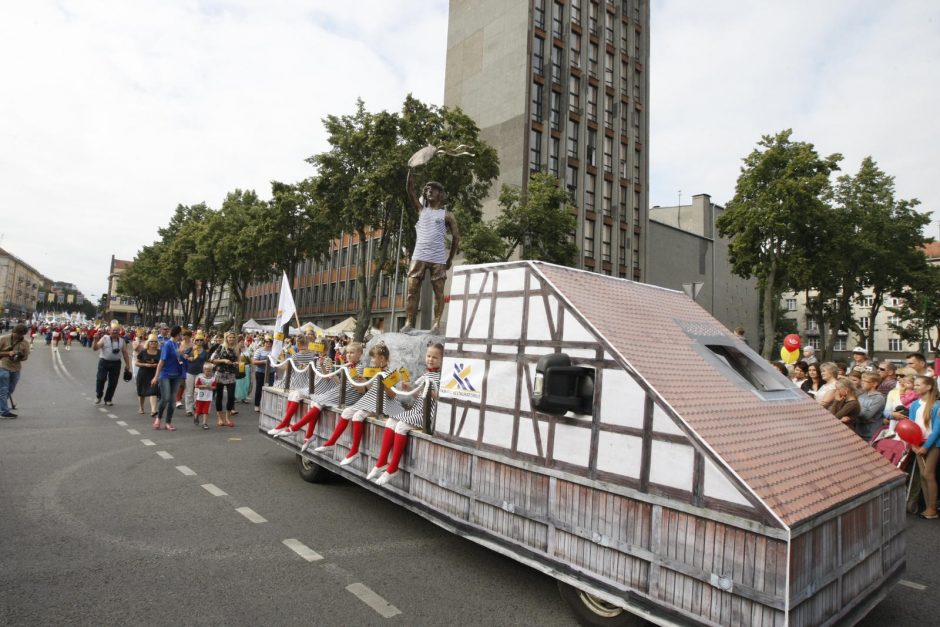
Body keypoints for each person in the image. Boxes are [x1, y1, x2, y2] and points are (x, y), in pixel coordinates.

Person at [317, 343, 405, 465]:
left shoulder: (391, 373)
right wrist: (364, 382)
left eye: (374, 358)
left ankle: (354, 450)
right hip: (371, 398)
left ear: (382, 359)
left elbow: (392, 395)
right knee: (348, 412)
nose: (372, 361)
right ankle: (331, 442)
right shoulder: (373, 371)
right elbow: (369, 389)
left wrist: (384, 385)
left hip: (383, 402)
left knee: (358, 416)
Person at [368, 343, 443, 485]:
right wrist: (412, 389)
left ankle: (393, 467)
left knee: (401, 426)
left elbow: (440, 398)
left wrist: (424, 391)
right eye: (428, 356)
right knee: (391, 421)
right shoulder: (426, 374)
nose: (430, 359)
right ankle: (382, 461)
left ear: (441, 359)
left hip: (428, 413)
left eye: (435, 357)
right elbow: (419, 398)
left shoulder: (441, 377)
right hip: (417, 409)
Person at [271, 343, 365, 451]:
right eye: (347, 352)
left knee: (318, 401)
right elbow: (339, 382)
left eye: (352, 353)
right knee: (313, 401)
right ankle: (305, 434)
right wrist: (332, 374)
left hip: (348, 395)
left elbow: (359, 388)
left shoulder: (358, 367)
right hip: (337, 390)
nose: (348, 355)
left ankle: (295, 428)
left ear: (359, 354)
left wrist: (334, 372)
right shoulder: (346, 365)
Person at [401, 170, 460, 334]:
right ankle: (408, 322)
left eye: (433, 189)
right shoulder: (421, 210)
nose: (429, 192)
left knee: (439, 292)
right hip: (419, 255)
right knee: (411, 290)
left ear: (441, 194)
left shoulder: (447, 215)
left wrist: (449, 259)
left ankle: (436, 324)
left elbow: (456, 237)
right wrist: (411, 170)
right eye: (427, 190)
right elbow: (410, 190)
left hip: (438, 258)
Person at [910, 376, 940, 519]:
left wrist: (926, 447)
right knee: (923, 475)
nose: (914, 387)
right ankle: (928, 506)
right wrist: (913, 444)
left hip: (933, 444)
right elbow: (911, 426)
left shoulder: (937, 405)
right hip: (918, 443)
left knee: (928, 473)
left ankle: (932, 508)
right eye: (914, 385)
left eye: (918, 385)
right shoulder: (915, 405)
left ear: (928, 387)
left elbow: (937, 430)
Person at [152, 326, 184, 431]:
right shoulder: (168, 344)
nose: (182, 336)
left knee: (172, 400)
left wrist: (185, 356)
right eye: (181, 334)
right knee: (165, 398)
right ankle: (158, 418)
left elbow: (179, 358)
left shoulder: (177, 344)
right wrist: (156, 376)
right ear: (177, 334)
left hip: (176, 375)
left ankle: (168, 422)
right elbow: (162, 361)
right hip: (165, 374)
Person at [93, 324, 132, 406]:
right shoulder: (105, 338)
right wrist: (95, 340)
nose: (115, 332)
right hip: (104, 362)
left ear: (119, 332)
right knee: (101, 379)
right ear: (110, 331)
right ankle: (98, 395)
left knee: (113, 382)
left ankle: (108, 399)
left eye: (117, 330)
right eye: (113, 330)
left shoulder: (122, 341)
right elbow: (95, 348)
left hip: (116, 363)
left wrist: (127, 365)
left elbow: (125, 353)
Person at [0, 324, 30, 419]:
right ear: (13, 331)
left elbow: (25, 357)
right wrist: (7, 353)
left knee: (10, 390)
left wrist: (20, 356)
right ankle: (4, 411)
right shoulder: (4, 339)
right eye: (17, 334)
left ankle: (2, 407)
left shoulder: (25, 343)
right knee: (3, 390)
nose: (19, 336)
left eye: (21, 334)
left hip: (16, 368)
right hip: (3, 365)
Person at [211, 332, 240, 427]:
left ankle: (228, 417)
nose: (231, 339)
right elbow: (212, 359)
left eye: (233, 337)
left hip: (231, 375)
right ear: (226, 338)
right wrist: (223, 360)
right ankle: (220, 418)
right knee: (219, 396)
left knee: (231, 396)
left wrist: (237, 363)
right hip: (220, 374)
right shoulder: (221, 347)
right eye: (230, 337)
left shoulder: (237, 348)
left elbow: (238, 360)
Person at [182, 330, 210, 417]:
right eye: (197, 340)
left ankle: (195, 405)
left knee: (198, 391)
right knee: (189, 391)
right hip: (190, 372)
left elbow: (207, 362)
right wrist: (188, 357)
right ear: (195, 341)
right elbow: (183, 356)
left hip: (200, 373)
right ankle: (189, 409)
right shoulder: (191, 348)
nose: (199, 342)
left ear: (203, 341)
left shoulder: (205, 352)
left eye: (201, 340)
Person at [135, 334, 161, 416]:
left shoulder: (160, 352)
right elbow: (137, 363)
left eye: (155, 342)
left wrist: (157, 365)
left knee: (153, 391)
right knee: (141, 391)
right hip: (143, 373)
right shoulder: (143, 352)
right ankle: (141, 408)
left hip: (154, 373)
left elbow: (163, 363)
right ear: (148, 343)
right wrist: (145, 365)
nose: (153, 343)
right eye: (151, 342)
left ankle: (153, 410)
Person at [855, 372, 886, 441]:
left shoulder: (878, 398)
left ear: (874, 384)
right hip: (858, 430)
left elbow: (866, 416)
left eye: (865, 381)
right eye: (861, 380)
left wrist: (856, 410)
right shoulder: (861, 395)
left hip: (870, 434)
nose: (861, 383)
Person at [252, 336, 274, 412]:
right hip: (260, 372)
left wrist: (276, 372)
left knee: (270, 389)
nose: (268, 344)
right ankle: (257, 405)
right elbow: (254, 362)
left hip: (271, 373)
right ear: (264, 343)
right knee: (259, 389)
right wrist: (264, 362)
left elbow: (277, 362)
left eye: (270, 342)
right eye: (267, 342)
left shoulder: (274, 351)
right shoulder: (259, 351)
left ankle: (267, 405)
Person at [193, 362, 216, 430]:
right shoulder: (200, 377)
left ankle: (205, 423)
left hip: (208, 397)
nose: (208, 372)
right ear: (204, 370)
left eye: (210, 371)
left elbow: (214, 387)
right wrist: (204, 386)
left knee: (206, 411)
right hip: (200, 397)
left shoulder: (213, 379)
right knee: (198, 410)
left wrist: (210, 387)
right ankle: (196, 416)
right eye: (207, 371)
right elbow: (196, 386)